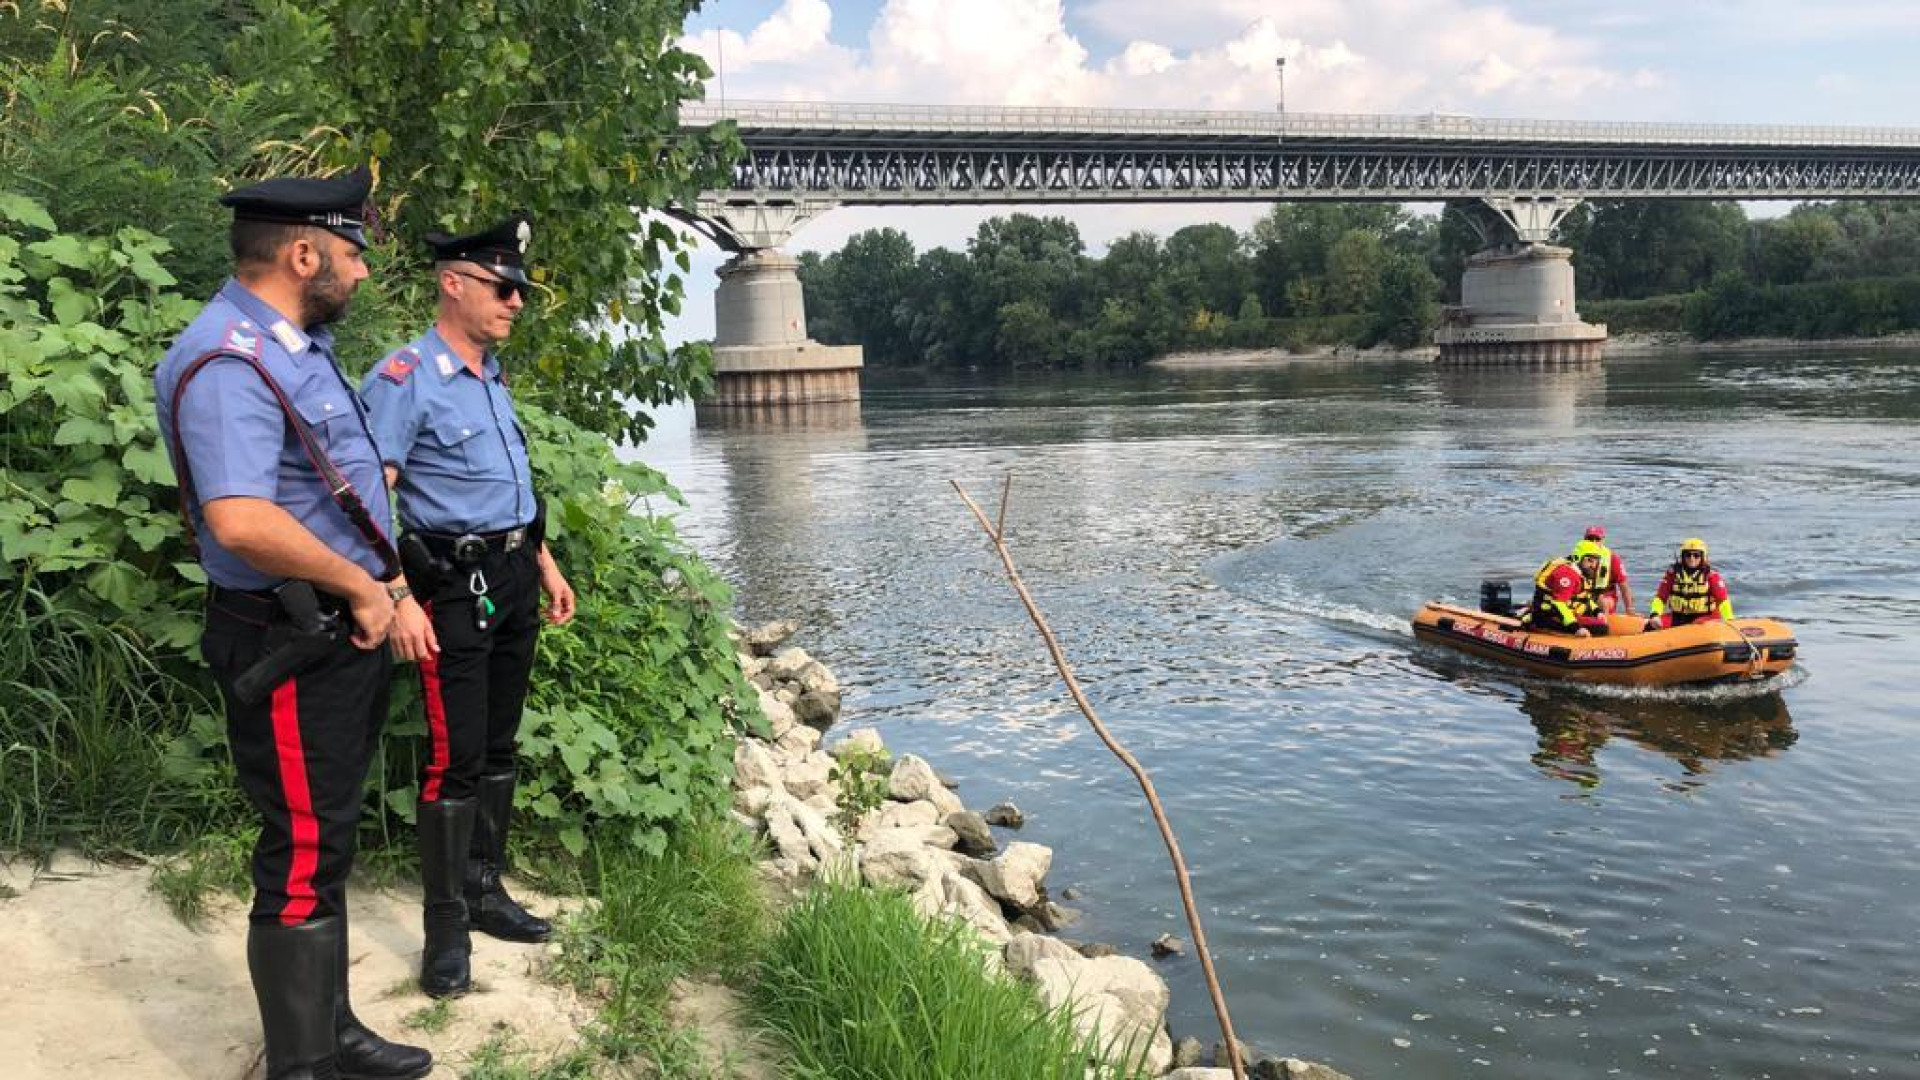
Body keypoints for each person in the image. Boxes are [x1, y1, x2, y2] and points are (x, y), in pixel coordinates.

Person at [154, 168, 432, 1080]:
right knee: (304, 844)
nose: (359, 275)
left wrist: (382, 589)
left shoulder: (293, 346)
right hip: (287, 636)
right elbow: (238, 519)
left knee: (329, 834)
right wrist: (361, 585)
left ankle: (329, 1031)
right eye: (351, 256)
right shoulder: (230, 359)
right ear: (303, 254)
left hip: (331, 629)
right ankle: (300, 1063)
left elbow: (332, 491)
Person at [360, 215, 576, 999]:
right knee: (452, 761)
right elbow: (365, 499)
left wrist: (545, 563)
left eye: (518, 289)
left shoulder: (489, 376)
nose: (517, 301)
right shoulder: (404, 379)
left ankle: (485, 891)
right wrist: (395, 596)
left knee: (497, 747)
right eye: (503, 286)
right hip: (452, 589)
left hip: (514, 576)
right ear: (454, 284)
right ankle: (444, 926)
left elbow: (507, 487)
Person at [1523, 540, 1611, 637]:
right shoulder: (1567, 575)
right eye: (1589, 560)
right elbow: (1559, 604)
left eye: (1596, 561)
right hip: (1549, 616)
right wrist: (1576, 628)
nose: (1593, 566)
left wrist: (1597, 612)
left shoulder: (1579, 573)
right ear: (1578, 558)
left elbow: (1583, 598)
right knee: (1601, 628)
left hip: (1560, 613)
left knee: (1599, 621)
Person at [1644, 537, 1734, 630]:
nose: (1692, 558)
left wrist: (1729, 620)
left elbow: (1723, 601)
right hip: (1678, 616)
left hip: (1706, 617)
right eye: (1688, 555)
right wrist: (1654, 615)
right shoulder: (1672, 574)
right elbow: (1660, 598)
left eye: (1696, 555)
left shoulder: (1711, 576)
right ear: (1683, 556)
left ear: (1703, 557)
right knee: (1650, 626)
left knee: (1696, 626)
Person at [1580, 524, 1633, 614]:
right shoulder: (1578, 556)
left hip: (1606, 595)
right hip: (1583, 593)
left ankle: (1605, 624)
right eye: (1590, 539)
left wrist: (1629, 609)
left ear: (1602, 540)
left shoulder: (1612, 558)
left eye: (1597, 539)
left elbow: (1624, 585)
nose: (1594, 542)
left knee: (1602, 602)